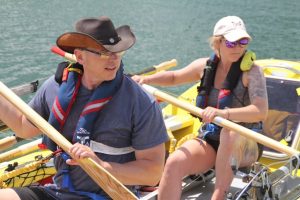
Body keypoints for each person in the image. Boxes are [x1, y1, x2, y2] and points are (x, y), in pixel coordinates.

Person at [0, 16, 168, 199]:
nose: (113, 59)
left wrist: (101, 166)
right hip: (60, 192)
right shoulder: (55, 87)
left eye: (118, 52)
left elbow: (152, 173)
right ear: (80, 56)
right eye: (103, 53)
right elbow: (24, 127)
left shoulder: (140, 102)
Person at [132, 16, 268, 200]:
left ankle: (219, 195)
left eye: (243, 42)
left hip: (245, 143)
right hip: (212, 139)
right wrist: (146, 80)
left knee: (229, 131)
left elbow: (260, 111)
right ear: (217, 42)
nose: (239, 47)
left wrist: (224, 113)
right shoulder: (205, 66)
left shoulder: (252, 72)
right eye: (232, 43)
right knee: (174, 163)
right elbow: (174, 77)